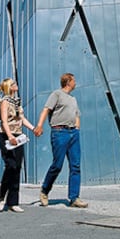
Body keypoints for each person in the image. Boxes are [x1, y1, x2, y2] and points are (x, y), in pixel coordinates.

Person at [34, 73, 88, 208]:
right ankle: (44, 190)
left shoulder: (73, 99)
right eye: (74, 80)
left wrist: (77, 128)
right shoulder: (57, 94)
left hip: (73, 133)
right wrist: (39, 125)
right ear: (68, 82)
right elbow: (46, 110)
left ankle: (74, 198)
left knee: (75, 166)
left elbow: (77, 115)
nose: (75, 83)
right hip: (59, 132)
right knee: (57, 165)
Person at [0, 78, 37, 213]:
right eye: (13, 84)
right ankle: (2, 197)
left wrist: (33, 128)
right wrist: (10, 136)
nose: (16, 85)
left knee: (17, 167)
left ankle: (13, 202)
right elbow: (4, 121)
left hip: (19, 136)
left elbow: (22, 119)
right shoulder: (5, 102)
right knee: (11, 165)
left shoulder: (17, 102)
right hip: (6, 135)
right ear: (9, 87)